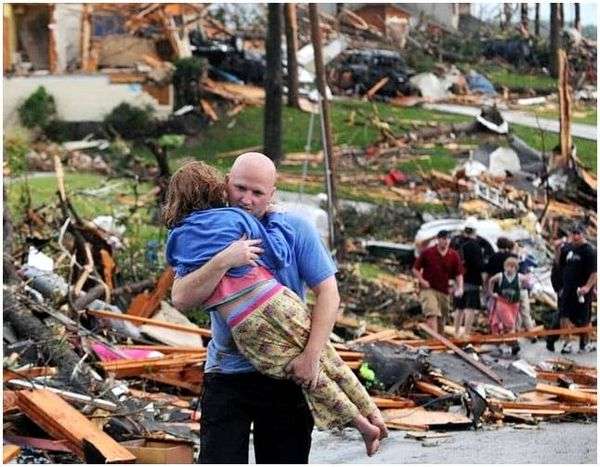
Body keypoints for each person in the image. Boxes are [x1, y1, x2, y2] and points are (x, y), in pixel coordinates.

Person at [169, 154, 383, 463]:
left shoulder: (295, 229)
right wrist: (224, 260)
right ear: (226, 183)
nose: (246, 199)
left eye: (257, 193)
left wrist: (310, 356)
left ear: (273, 193)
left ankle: (370, 420)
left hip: (288, 374)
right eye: (240, 188)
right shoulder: (210, 232)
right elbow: (180, 297)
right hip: (227, 373)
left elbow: (328, 293)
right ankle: (365, 423)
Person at [550, 223, 597, 354]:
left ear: (583, 234)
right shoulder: (569, 248)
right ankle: (567, 343)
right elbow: (559, 263)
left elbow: (594, 273)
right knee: (564, 316)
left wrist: (588, 287)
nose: (575, 236)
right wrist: (557, 249)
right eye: (573, 233)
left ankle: (585, 344)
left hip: (581, 290)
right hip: (567, 288)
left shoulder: (589, 251)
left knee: (584, 319)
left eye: (578, 233)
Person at [413, 230, 464, 334]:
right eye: (443, 239)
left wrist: (460, 287)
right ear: (438, 240)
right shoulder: (428, 252)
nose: (446, 241)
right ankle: (433, 340)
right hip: (428, 288)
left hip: (444, 290)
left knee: (441, 318)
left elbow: (458, 274)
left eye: (448, 239)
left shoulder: (453, 255)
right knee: (431, 313)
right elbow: (415, 269)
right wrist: (422, 280)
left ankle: (439, 340)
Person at [487, 256, 529, 354]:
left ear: (516, 268)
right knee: (509, 324)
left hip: (514, 305)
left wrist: (524, 287)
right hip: (502, 303)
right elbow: (491, 280)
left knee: (509, 326)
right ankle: (514, 343)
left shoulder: (519, 277)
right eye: (508, 266)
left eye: (512, 267)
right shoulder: (500, 276)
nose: (510, 268)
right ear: (505, 267)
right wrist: (491, 293)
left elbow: (528, 282)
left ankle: (507, 344)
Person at [453, 225, 484, 338]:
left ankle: (456, 332)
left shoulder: (457, 243)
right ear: (474, 231)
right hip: (472, 280)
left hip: (458, 280)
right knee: (470, 308)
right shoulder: (475, 246)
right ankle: (466, 333)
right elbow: (479, 265)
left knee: (459, 307)